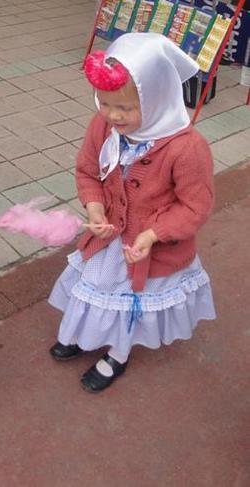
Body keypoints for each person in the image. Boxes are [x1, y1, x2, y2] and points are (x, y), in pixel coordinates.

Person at [48, 33, 216, 393]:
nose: (113, 115)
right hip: (108, 238)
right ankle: (84, 335)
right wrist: (94, 206)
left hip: (150, 249)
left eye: (124, 108)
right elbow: (88, 171)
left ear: (158, 97)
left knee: (128, 304)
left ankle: (117, 355)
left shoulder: (187, 149)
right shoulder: (103, 126)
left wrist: (152, 234)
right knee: (93, 286)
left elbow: (195, 206)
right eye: (105, 103)